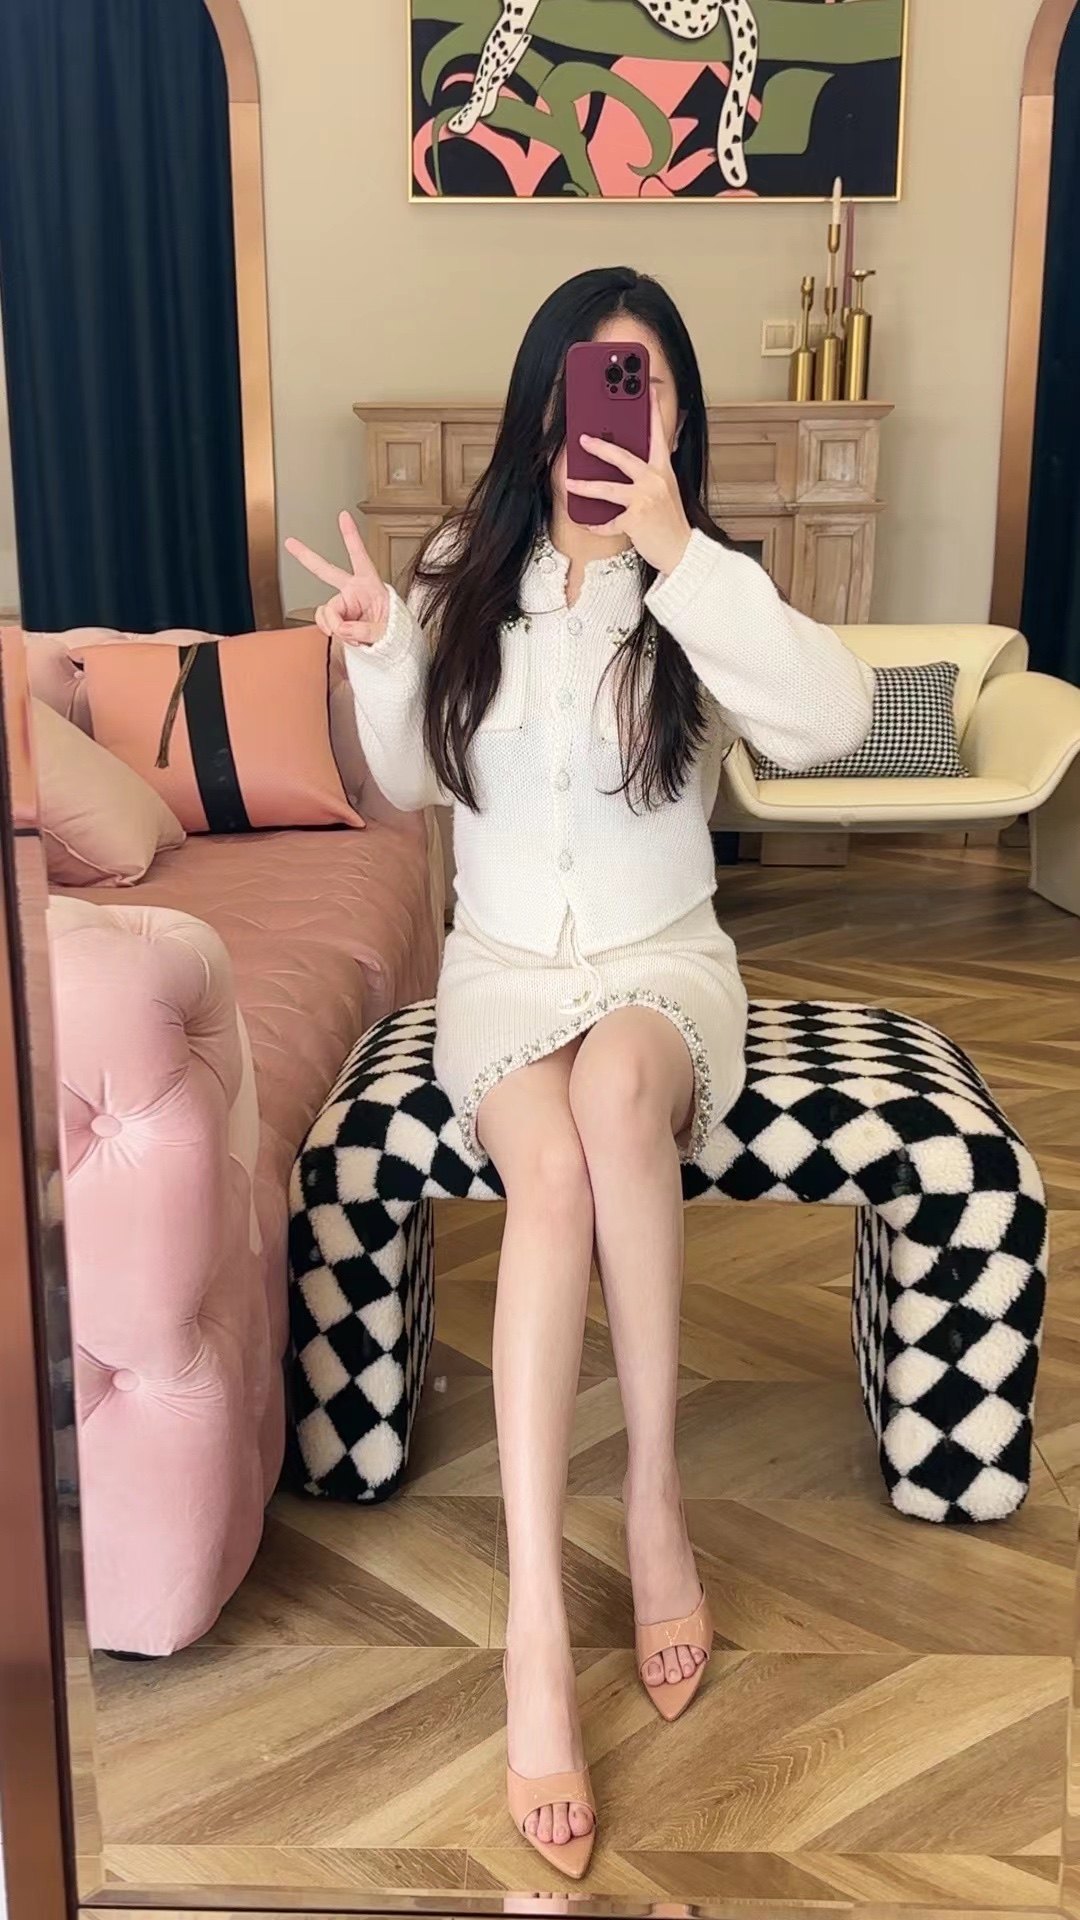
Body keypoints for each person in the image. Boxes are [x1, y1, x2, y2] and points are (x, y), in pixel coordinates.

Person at [286, 266, 873, 1880]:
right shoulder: (463, 573)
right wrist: (379, 656)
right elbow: (406, 780)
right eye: (584, 384)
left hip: (663, 964)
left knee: (618, 1096)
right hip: (499, 971)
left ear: (675, 413)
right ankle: (536, 1623)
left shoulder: (706, 582)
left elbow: (830, 723)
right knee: (544, 1169)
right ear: (540, 402)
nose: (605, 415)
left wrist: (679, 556)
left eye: (642, 385)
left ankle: (656, 1498)